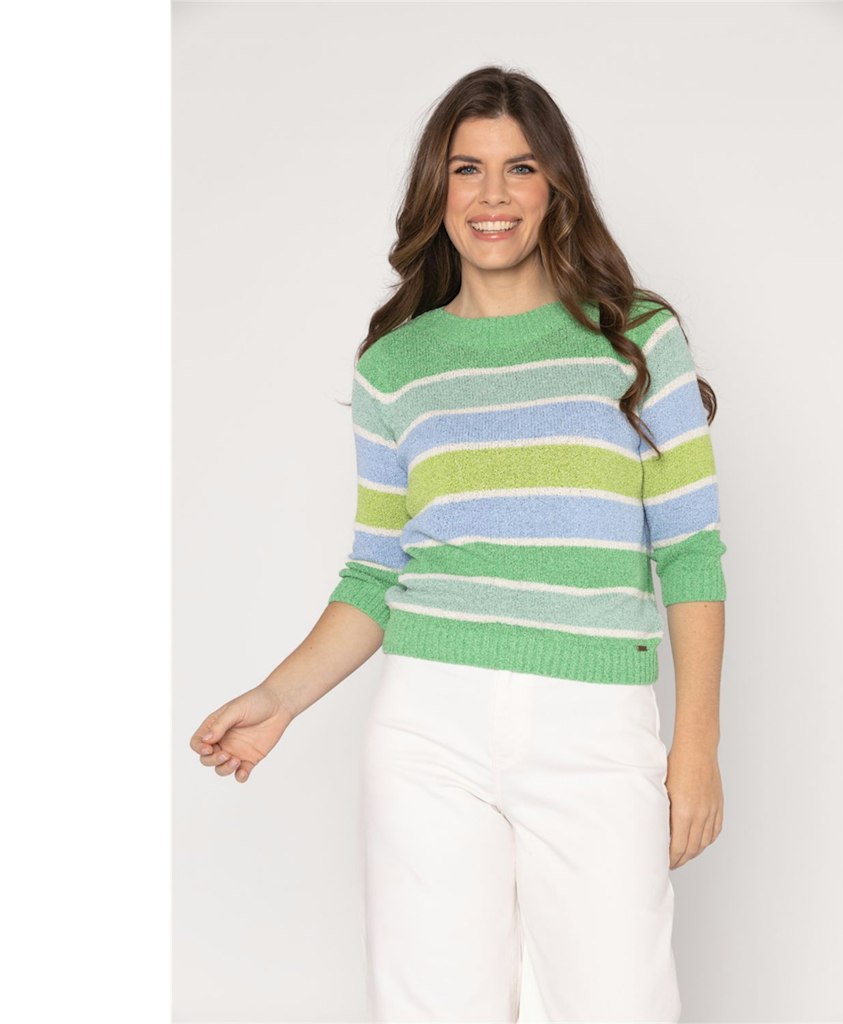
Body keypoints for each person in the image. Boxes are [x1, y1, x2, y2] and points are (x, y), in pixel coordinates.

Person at [190, 65, 727, 1024]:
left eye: (520, 167)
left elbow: (689, 552)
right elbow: (376, 570)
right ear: (436, 188)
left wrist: (696, 746)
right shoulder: (396, 366)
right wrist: (278, 697)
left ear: (556, 184)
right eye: (467, 168)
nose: (492, 196)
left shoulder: (636, 339)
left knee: (619, 1003)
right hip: (428, 726)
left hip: (596, 723)